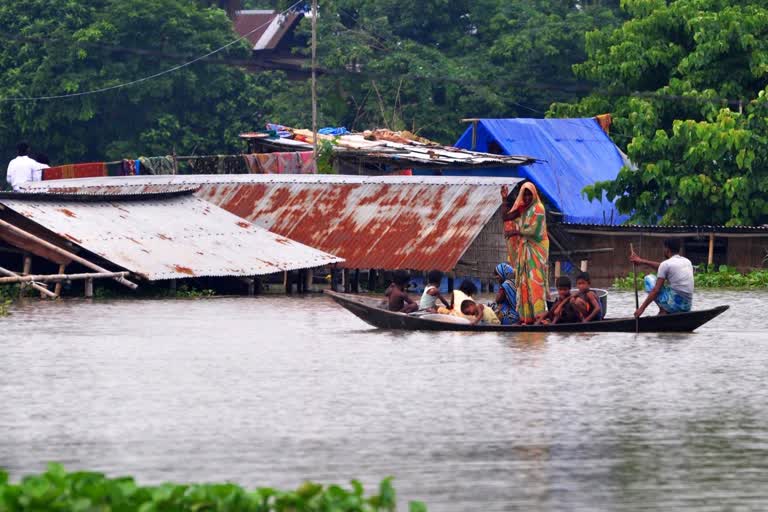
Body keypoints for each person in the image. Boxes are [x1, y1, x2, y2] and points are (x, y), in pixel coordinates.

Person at [505, 182, 549, 324]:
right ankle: (526, 318)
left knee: (536, 281)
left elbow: (534, 231)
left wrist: (516, 231)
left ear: (535, 194)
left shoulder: (539, 208)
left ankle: (540, 316)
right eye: (525, 194)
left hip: (536, 250)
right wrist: (504, 199)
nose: (528, 197)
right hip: (525, 250)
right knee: (524, 282)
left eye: (530, 194)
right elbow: (506, 217)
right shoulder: (523, 209)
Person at [631, 239, 694, 317]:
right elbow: (663, 266)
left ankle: (663, 310)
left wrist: (641, 309)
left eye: (664, 248)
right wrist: (642, 261)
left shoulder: (666, 264)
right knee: (669, 287)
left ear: (667, 249)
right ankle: (666, 310)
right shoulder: (687, 261)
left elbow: (656, 290)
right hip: (687, 307)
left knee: (649, 279)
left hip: (674, 306)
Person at [500, 184, 522, 266]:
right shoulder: (508, 218)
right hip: (515, 251)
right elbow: (505, 217)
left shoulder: (524, 211)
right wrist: (504, 199)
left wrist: (514, 232)